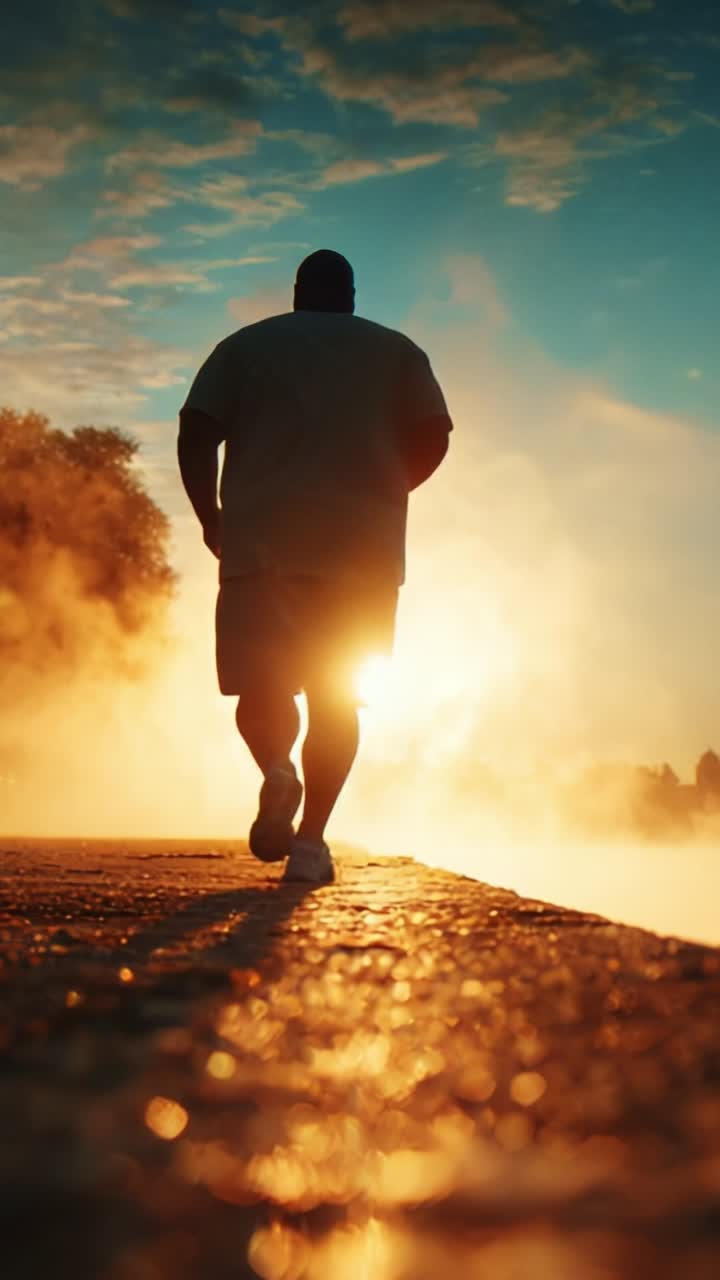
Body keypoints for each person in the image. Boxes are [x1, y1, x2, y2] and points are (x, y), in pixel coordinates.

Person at [178, 250, 452, 883]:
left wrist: (211, 514)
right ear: (351, 297)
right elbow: (435, 433)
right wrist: (388, 489)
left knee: (262, 683)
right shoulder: (398, 351)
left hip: (261, 544)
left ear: (298, 293)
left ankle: (278, 769)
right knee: (337, 695)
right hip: (362, 553)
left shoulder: (245, 346)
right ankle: (309, 846)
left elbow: (196, 429)